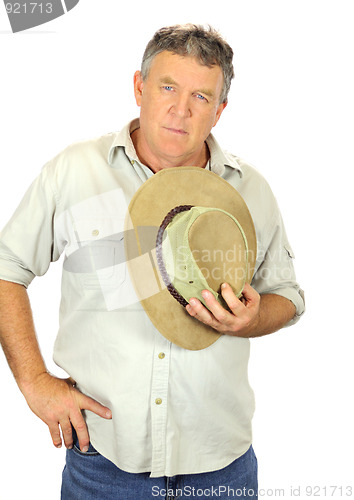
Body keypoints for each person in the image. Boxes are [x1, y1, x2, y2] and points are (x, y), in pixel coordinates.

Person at [0, 24, 304, 499]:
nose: (181, 110)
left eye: (202, 97)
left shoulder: (250, 190)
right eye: (167, 87)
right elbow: (6, 268)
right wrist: (35, 382)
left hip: (222, 469)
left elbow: (287, 295)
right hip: (103, 464)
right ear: (139, 87)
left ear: (219, 111)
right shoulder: (76, 171)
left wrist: (252, 318)